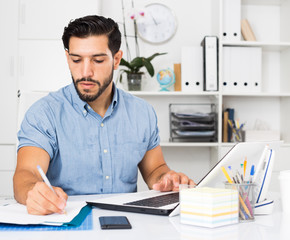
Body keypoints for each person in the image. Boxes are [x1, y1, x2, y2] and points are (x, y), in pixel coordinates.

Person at [13, 15, 195, 215]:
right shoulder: (44, 113)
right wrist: (33, 191)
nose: (85, 72)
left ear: (116, 59)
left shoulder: (142, 112)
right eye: (76, 60)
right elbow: (26, 174)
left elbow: (155, 169)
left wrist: (167, 179)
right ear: (67, 58)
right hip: (66, 220)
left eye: (98, 60)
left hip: (129, 223)